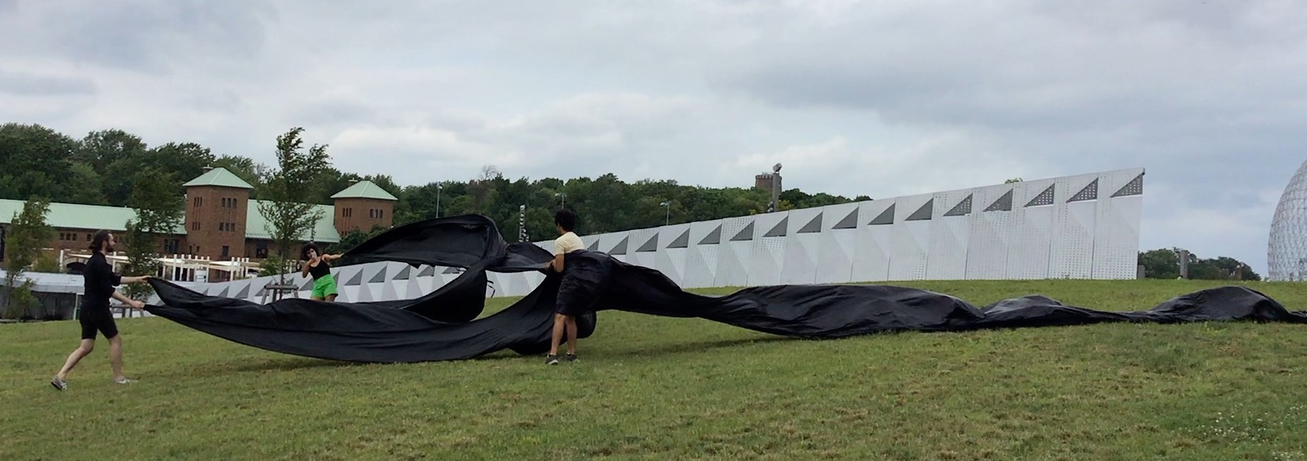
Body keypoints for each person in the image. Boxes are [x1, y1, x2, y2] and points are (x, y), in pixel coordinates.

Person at [51, 230, 151, 391]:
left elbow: (115, 279)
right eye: (112, 240)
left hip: (87, 308)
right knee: (115, 340)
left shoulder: (96, 261)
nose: (114, 243)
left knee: (86, 346)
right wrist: (131, 302)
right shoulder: (99, 263)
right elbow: (108, 289)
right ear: (104, 242)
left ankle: (60, 376)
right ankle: (119, 378)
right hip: (98, 308)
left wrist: (138, 279)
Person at [545, 209, 585, 365]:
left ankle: (553, 354)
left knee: (560, 317)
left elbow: (560, 268)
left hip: (569, 282)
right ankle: (571, 354)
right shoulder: (578, 240)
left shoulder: (560, 242)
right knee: (571, 318)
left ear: (559, 224)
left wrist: (552, 263)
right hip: (580, 282)